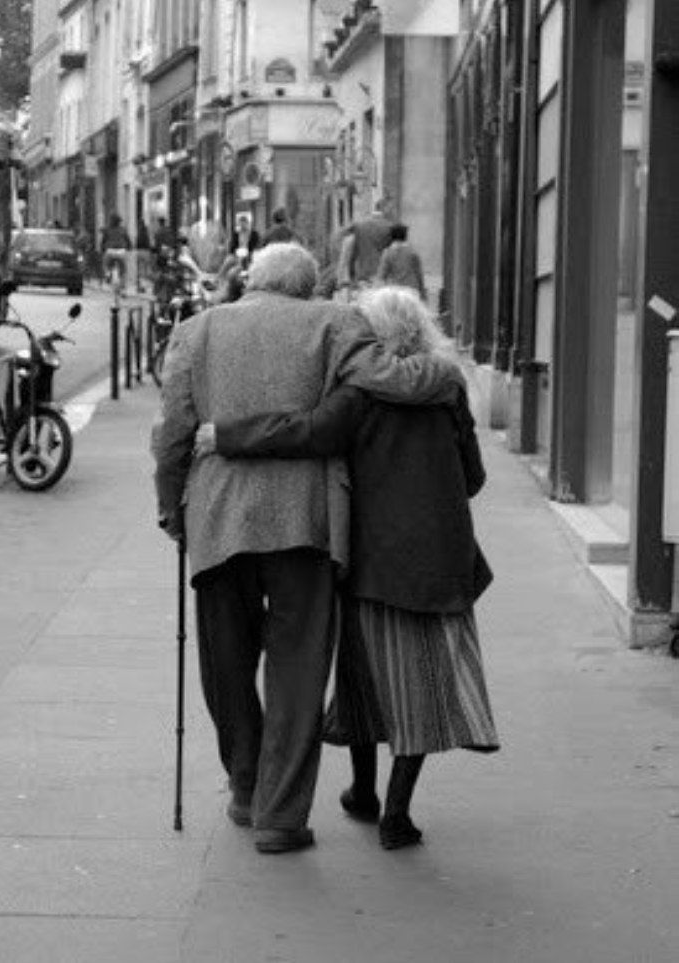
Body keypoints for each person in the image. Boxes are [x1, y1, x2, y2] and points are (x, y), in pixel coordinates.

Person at [151, 245, 465, 855]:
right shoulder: (336, 323)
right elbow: (396, 380)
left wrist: (171, 507)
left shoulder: (196, 331)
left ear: (252, 280)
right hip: (308, 520)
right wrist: (446, 370)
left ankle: (245, 785)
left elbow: (172, 434)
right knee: (298, 671)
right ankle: (280, 815)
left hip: (218, 517)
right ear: (307, 286)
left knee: (226, 661)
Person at [347, 200, 394, 288]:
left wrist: (351, 275)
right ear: (384, 209)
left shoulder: (359, 226)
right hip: (381, 276)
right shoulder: (390, 227)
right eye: (390, 209)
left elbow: (353, 253)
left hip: (363, 276)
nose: (392, 212)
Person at [376, 222, 427, 301]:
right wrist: (423, 292)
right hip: (411, 291)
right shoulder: (413, 252)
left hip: (395, 293)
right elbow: (419, 274)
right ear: (405, 236)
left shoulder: (388, 252)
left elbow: (382, 275)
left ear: (391, 236)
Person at [101, 212, 132, 286]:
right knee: (123, 270)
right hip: (121, 251)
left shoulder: (107, 229)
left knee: (106, 264)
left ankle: (108, 273)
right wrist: (129, 247)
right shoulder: (123, 229)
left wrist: (102, 249)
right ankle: (123, 288)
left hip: (110, 251)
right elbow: (128, 240)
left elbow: (103, 241)